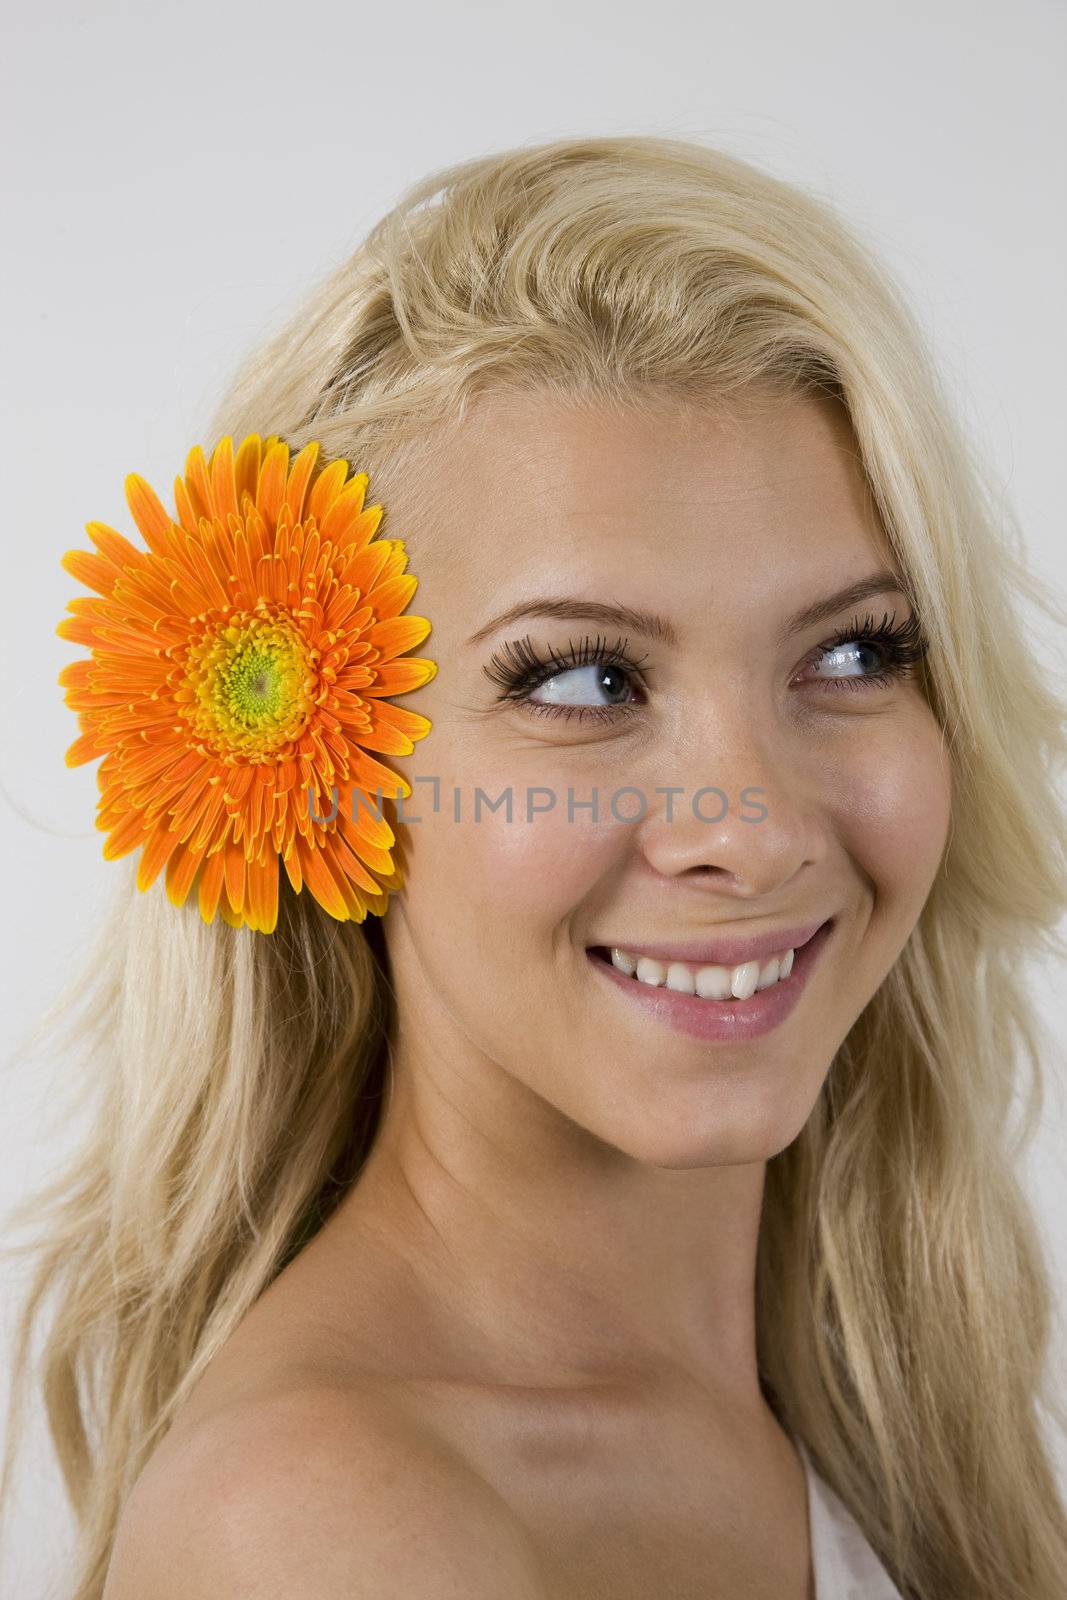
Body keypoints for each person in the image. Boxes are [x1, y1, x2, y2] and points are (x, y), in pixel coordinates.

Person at [2, 134, 1066, 1600]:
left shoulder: (872, 1390)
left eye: (852, 651)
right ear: (318, 767)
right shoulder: (327, 1530)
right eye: (581, 680)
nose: (748, 826)